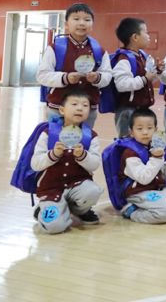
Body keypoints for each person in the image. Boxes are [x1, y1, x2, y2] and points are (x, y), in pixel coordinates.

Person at [28, 88, 103, 233]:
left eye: (85, 105)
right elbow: (35, 164)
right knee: (54, 227)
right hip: (51, 189)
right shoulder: (48, 133)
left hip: (77, 185)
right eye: (74, 104)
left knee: (93, 191)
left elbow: (94, 165)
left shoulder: (91, 136)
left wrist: (83, 156)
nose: (80, 108)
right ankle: (49, 208)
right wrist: (53, 154)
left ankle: (78, 210)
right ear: (62, 110)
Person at [37, 3, 112, 128]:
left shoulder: (99, 50)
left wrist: (97, 78)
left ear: (92, 25)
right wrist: (65, 78)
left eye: (87, 20)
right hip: (58, 108)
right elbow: (42, 75)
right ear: (66, 24)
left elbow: (108, 75)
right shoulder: (55, 48)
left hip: (87, 109)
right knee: (57, 139)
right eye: (76, 19)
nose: (82, 23)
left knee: (85, 139)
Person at [115, 108, 166, 223]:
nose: (145, 132)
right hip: (139, 192)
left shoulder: (154, 147)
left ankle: (156, 205)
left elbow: (163, 174)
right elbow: (144, 178)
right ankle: (132, 211)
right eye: (139, 129)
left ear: (156, 130)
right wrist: (156, 158)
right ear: (131, 132)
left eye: (149, 128)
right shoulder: (130, 153)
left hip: (159, 189)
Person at [112, 17, 159, 139]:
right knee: (127, 141)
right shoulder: (124, 59)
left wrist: (157, 71)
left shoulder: (142, 56)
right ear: (135, 37)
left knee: (142, 140)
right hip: (128, 111)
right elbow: (122, 84)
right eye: (146, 32)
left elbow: (148, 80)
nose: (149, 36)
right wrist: (144, 79)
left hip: (141, 109)